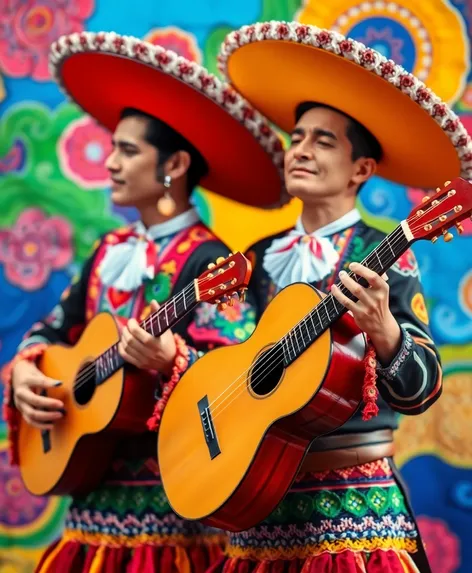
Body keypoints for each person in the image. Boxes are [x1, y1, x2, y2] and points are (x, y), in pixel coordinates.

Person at [2, 31, 284, 572]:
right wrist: (26, 373)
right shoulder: (109, 250)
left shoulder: (211, 264)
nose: (109, 162)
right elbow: (53, 330)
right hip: (89, 509)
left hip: (171, 513)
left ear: (174, 166)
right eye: (112, 147)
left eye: (127, 150)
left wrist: (172, 361)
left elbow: (241, 380)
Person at [209, 21, 472, 573]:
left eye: (323, 140)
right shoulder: (255, 257)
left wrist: (385, 332)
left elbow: (423, 386)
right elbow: (223, 357)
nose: (300, 149)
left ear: (362, 170)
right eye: (297, 137)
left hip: (353, 507)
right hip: (258, 495)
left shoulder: (385, 251)